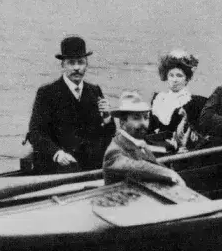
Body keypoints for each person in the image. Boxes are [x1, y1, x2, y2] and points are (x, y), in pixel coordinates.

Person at [25, 36, 114, 174]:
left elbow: (106, 135)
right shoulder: (47, 93)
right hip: (57, 168)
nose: (77, 68)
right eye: (71, 63)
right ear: (63, 65)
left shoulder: (94, 91)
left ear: (87, 64)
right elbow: (36, 133)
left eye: (81, 62)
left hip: (91, 168)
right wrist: (57, 154)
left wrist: (108, 119)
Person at [102, 91, 192, 189]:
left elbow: (154, 166)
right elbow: (136, 166)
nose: (143, 123)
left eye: (146, 118)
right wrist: (170, 174)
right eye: (136, 118)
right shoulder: (114, 150)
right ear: (123, 123)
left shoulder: (139, 143)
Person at [147, 49, 208, 152]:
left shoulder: (195, 102)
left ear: (187, 79)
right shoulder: (158, 98)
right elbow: (150, 129)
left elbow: (196, 135)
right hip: (155, 147)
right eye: (171, 75)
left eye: (179, 76)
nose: (174, 80)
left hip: (179, 151)